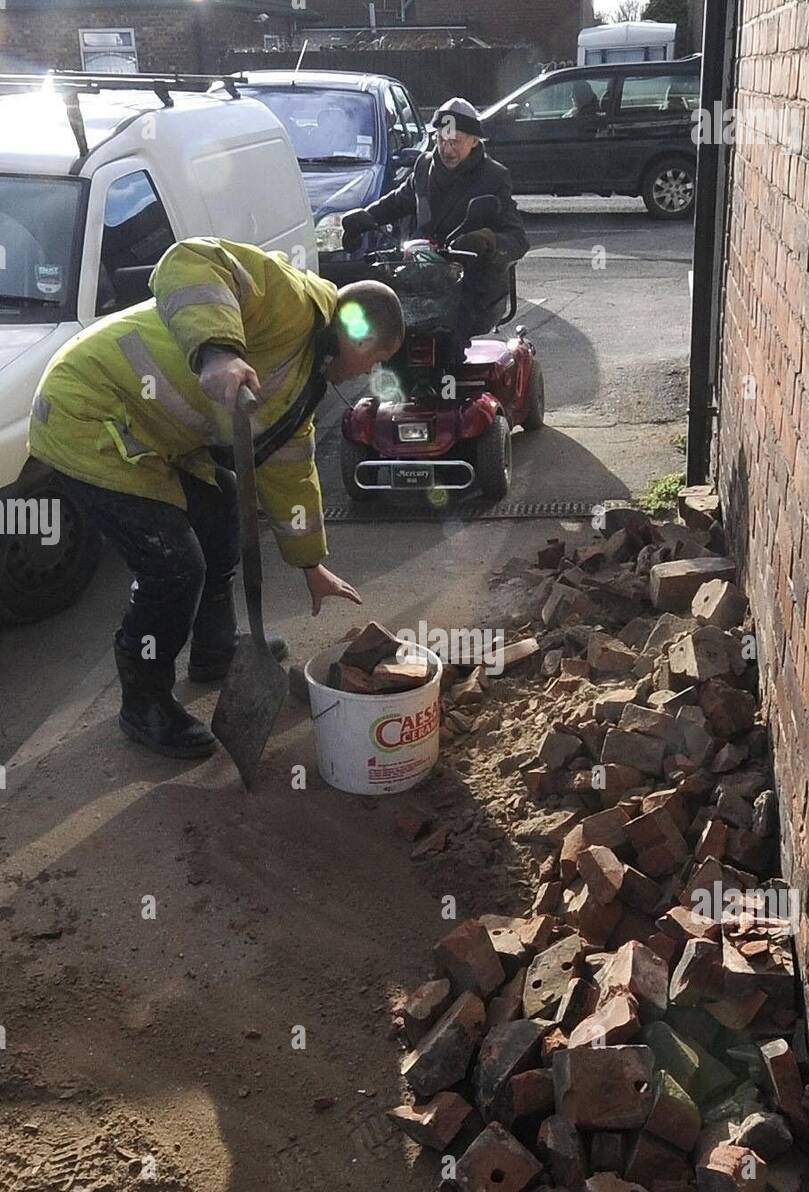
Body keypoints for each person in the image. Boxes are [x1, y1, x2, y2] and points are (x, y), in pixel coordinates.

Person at [28, 237, 404, 760]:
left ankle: (214, 649)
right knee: (174, 567)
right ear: (361, 334)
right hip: (87, 414)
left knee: (223, 511)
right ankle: (144, 704)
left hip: (152, 435)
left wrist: (309, 563)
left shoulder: (307, 371)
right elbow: (193, 258)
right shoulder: (292, 300)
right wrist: (218, 351)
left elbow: (288, 467)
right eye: (375, 360)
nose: (366, 373)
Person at [340, 96, 528, 355]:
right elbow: (399, 201)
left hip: (471, 285)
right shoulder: (424, 165)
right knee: (386, 331)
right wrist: (364, 218)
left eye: (455, 142)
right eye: (441, 140)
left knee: (449, 345)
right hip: (419, 278)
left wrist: (487, 240)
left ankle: (449, 389)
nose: (447, 150)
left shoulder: (494, 176)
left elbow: (518, 239)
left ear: (474, 141)